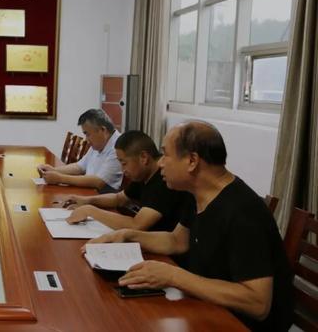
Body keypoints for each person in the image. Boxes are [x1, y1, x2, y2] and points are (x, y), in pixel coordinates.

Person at [90, 122, 292, 331]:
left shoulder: (242, 211)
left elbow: (258, 303)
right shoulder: (198, 194)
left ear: (192, 161)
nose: (160, 163)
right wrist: (128, 235)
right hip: (208, 305)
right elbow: (177, 241)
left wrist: (173, 276)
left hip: (239, 323)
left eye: (166, 155)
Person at [60, 130, 192, 232]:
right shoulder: (144, 174)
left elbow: (137, 225)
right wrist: (87, 201)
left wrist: (90, 211)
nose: (123, 170)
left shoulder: (165, 179)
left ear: (144, 158)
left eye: (124, 163)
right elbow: (119, 199)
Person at [37, 109, 122, 192]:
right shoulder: (99, 143)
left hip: (99, 197)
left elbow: (99, 181)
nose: (87, 139)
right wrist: (54, 170)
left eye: (87, 134)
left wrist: (60, 178)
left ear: (103, 130)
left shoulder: (118, 147)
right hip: (88, 192)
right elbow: (79, 167)